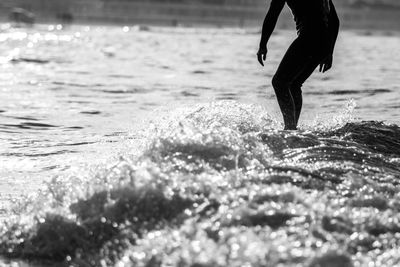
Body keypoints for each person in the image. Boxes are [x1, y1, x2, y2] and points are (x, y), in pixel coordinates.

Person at [257, 0, 339, 130]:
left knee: (279, 82)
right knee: (294, 84)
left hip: (308, 38)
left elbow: (273, 14)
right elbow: (334, 20)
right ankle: (293, 127)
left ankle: (290, 128)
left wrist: (262, 45)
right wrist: (329, 52)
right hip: (323, 42)